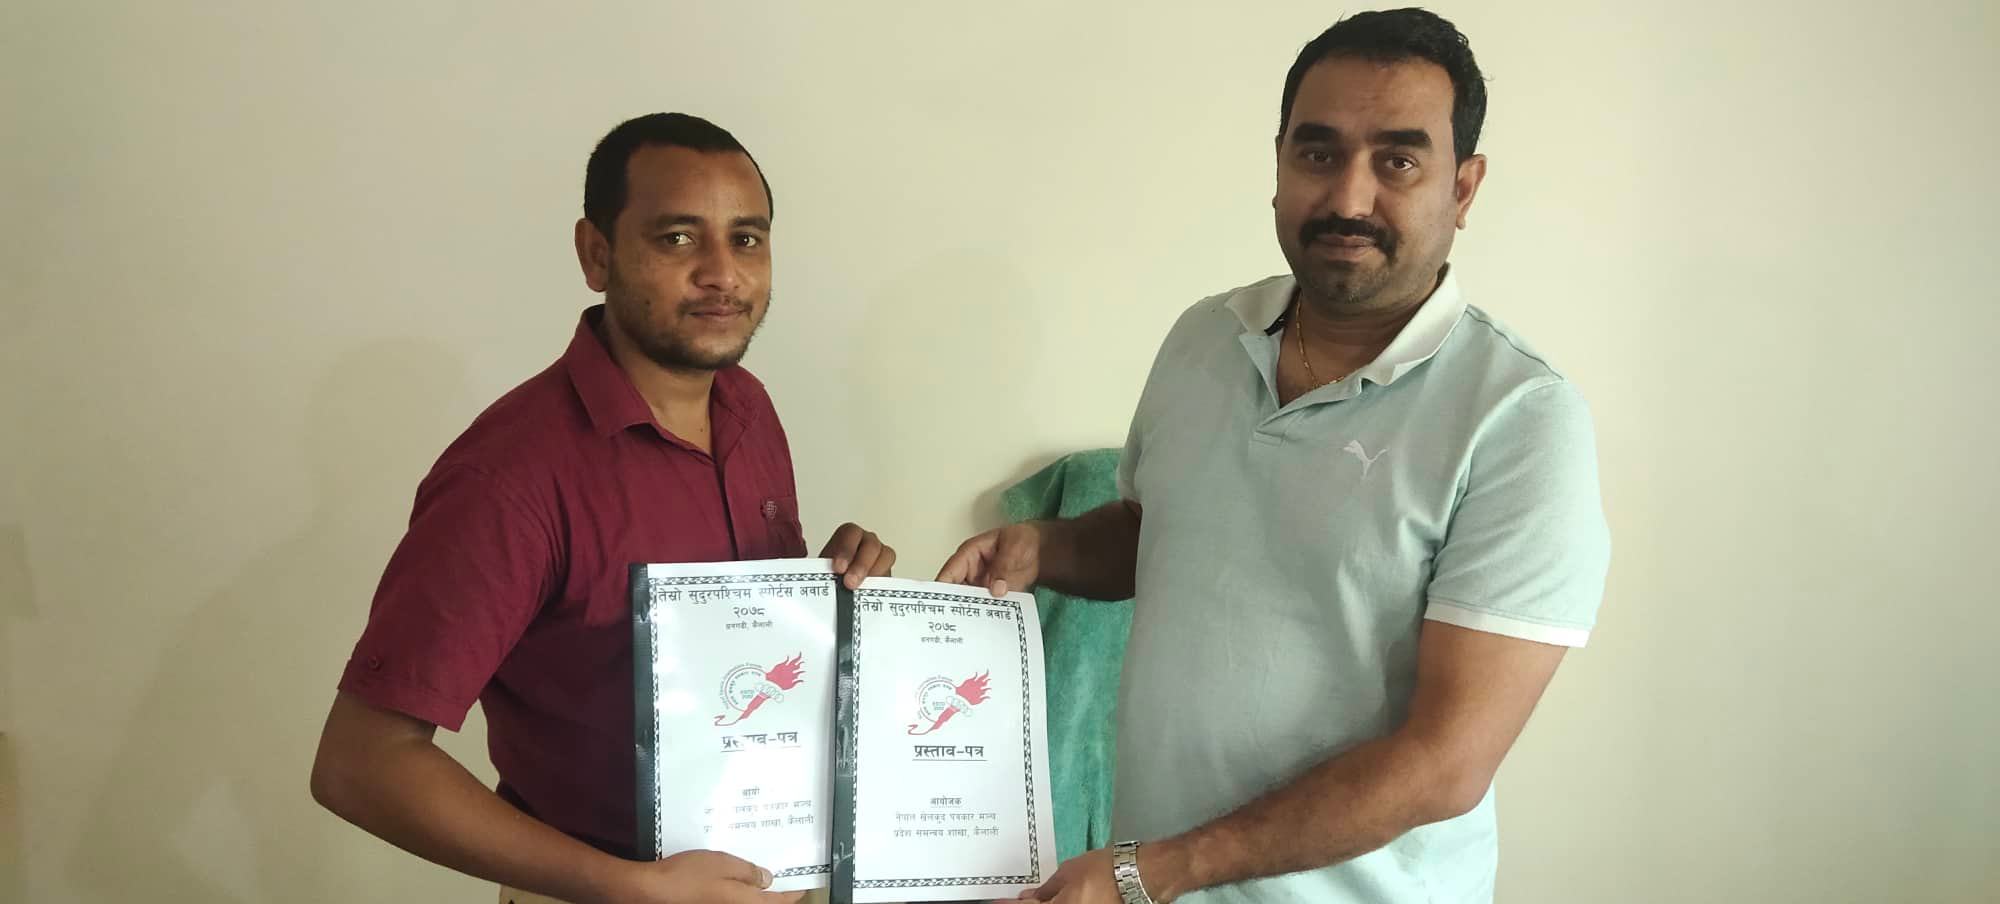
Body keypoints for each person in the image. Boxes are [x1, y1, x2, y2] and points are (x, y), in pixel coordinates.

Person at [938, 10, 1610, 903]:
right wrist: (1044, 549)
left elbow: (1445, 762)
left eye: (1398, 161)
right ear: (1280, 164)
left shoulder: (1521, 418)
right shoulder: (1205, 337)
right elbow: (1158, 531)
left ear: (1464, 187)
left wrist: (1151, 871)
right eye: (1319, 152)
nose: (1349, 199)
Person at [311, 113, 893, 904]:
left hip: (777, 877)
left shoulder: (746, 408)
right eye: (678, 239)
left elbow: (736, 662)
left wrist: (832, 593)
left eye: (747, 239)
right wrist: (630, 887)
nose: (722, 274)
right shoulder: (511, 476)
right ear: (596, 254)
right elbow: (360, 762)